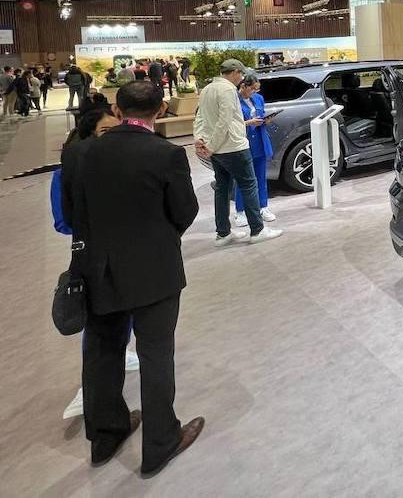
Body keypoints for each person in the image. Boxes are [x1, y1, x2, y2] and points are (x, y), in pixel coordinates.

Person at [63, 81, 204, 476]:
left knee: (102, 352)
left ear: (117, 109)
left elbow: (72, 213)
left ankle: (105, 437)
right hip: (154, 270)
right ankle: (160, 442)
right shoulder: (166, 154)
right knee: (156, 354)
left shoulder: (79, 153)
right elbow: (185, 211)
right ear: (160, 110)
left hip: (96, 269)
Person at [53, 105, 139, 420]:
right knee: (99, 333)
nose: (112, 138)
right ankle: (95, 403)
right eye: (105, 131)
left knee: (124, 318)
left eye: (116, 130)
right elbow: (64, 221)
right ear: (89, 135)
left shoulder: (124, 164)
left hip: (128, 256)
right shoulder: (70, 169)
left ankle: (122, 357)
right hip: (94, 260)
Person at [193, 59, 282, 245]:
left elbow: (200, 117)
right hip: (232, 147)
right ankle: (257, 230)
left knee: (222, 189)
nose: (241, 78)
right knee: (249, 185)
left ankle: (223, 233)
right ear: (234, 72)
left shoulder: (207, 89)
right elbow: (224, 121)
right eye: (240, 74)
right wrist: (211, 146)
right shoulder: (227, 90)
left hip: (217, 149)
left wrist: (200, 139)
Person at [233, 74, 277, 226]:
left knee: (261, 177)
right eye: (252, 89)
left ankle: (263, 207)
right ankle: (240, 211)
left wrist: (266, 120)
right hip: (243, 142)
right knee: (243, 179)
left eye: (257, 89)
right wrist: (249, 122)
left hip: (259, 141)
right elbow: (231, 123)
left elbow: (261, 115)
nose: (254, 92)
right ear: (243, 86)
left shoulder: (258, 99)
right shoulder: (234, 100)